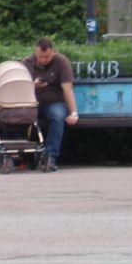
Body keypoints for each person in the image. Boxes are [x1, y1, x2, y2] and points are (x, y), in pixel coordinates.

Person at [22, 39, 78, 173]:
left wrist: (73, 112)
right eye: (40, 56)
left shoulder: (61, 62)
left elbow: (67, 89)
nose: (43, 60)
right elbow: (20, 86)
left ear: (53, 52)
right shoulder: (27, 63)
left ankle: (50, 156)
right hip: (32, 103)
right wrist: (32, 85)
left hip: (55, 102)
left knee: (57, 117)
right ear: (36, 51)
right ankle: (20, 157)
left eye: (47, 56)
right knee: (15, 116)